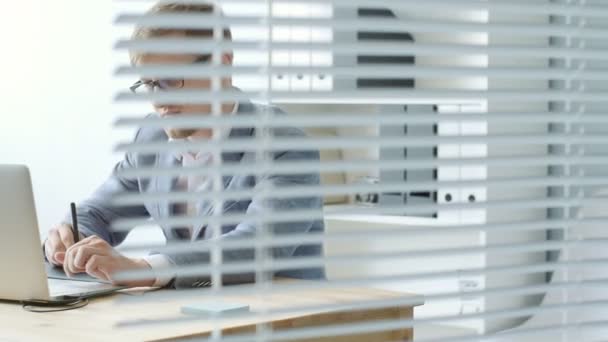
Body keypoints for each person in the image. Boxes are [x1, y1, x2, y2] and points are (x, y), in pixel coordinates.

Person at [43, 2, 325, 289]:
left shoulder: (283, 143)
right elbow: (100, 213)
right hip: (191, 317)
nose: (159, 100)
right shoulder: (151, 138)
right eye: (149, 84)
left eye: (170, 80)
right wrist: (73, 240)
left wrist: (145, 268)